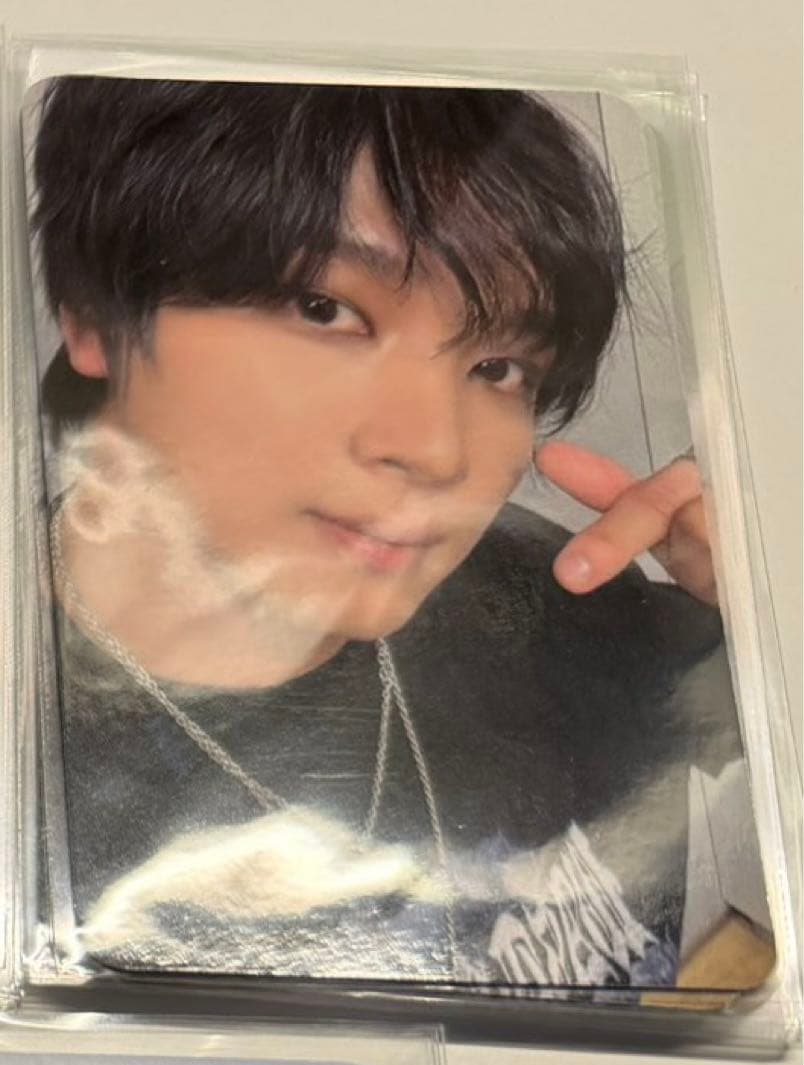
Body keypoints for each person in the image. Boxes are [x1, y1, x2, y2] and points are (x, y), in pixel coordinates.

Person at [32, 76, 754, 990]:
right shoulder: (35, 766)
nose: (436, 451)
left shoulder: (565, 605)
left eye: (499, 367)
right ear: (95, 311)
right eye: (324, 310)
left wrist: (769, 608)